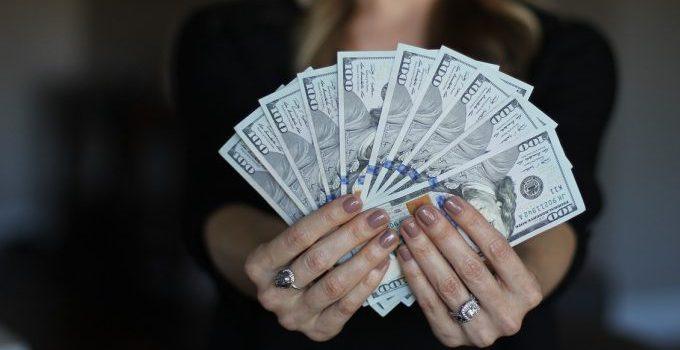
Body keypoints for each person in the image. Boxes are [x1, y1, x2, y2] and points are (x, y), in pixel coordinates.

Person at [173, 0, 615, 348]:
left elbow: (564, 214)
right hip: (272, 338)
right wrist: (281, 266)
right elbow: (212, 203)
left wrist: (521, 281)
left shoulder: (566, 51)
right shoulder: (225, 36)